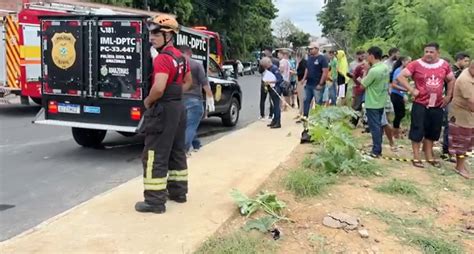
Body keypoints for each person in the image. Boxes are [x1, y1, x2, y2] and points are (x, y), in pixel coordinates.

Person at [136, 14, 192, 214]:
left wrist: (148, 101)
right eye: (150, 33)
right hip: (178, 108)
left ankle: (154, 201)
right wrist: (174, 96)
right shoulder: (181, 58)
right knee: (177, 151)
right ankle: (178, 192)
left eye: (156, 33)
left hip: (163, 110)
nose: (151, 37)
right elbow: (187, 82)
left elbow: (158, 88)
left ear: (169, 35)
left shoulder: (162, 59)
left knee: (154, 154)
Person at [397, 42, 455, 168]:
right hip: (420, 103)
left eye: (431, 52)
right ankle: (416, 156)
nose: (428, 54)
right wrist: (411, 90)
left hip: (438, 104)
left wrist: (449, 95)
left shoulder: (444, 65)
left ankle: (429, 155)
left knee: (433, 130)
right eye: (426, 52)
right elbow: (401, 77)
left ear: (438, 53)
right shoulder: (416, 64)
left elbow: (451, 79)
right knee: (418, 129)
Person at [178, 46, 215, 155]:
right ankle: (183, 151)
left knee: (187, 124)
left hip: (180, 99)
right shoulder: (196, 65)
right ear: (189, 53)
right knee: (190, 125)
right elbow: (204, 82)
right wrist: (210, 97)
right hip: (194, 99)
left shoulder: (176, 64)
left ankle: (196, 144)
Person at [362, 46, 390, 157]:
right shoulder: (385, 67)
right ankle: (378, 146)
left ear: (372, 56)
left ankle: (376, 150)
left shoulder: (373, 71)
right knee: (379, 125)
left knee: (375, 128)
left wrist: (365, 71)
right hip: (381, 100)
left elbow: (364, 84)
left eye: (368, 55)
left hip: (372, 102)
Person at [442, 52, 471, 160]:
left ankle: (454, 151)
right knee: (449, 127)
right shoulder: (452, 71)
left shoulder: (463, 72)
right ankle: (446, 151)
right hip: (451, 101)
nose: (467, 63)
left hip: (460, 104)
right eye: (465, 61)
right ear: (459, 60)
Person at [448, 61, 474, 179]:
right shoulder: (465, 80)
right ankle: (459, 166)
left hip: (470, 116)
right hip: (462, 115)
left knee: (469, 143)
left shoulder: (470, 75)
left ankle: (462, 164)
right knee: (462, 142)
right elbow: (471, 104)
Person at [303, 42, 329, 117]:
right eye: (309, 49)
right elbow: (307, 69)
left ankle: (318, 120)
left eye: (311, 49)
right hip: (309, 84)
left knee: (318, 103)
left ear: (317, 49)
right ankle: (305, 118)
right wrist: (304, 79)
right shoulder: (309, 58)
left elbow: (325, 72)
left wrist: (320, 84)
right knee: (306, 101)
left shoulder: (322, 59)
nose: (310, 50)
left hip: (317, 85)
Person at [390, 56, 411, 138]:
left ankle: (395, 130)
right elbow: (394, 85)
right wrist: (405, 89)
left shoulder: (405, 71)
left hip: (400, 94)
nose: (410, 63)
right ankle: (395, 132)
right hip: (396, 94)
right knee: (399, 114)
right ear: (403, 62)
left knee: (400, 114)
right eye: (408, 62)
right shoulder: (398, 71)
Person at [260, 57, 284, 128]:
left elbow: (279, 79)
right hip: (271, 88)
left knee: (276, 106)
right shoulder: (269, 69)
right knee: (273, 105)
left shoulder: (274, 68)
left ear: (268, 63)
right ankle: (274, 120)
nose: (265, 67)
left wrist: (269, 81)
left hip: (276, 88)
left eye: (265, 65)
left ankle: (278, 122)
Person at [259, 47, 280, 120]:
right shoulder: (276, 60)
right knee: (270, 99)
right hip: (268, 83)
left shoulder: (273, 62)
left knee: (269, 99)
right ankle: (270, 115)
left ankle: (265, 115)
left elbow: (278, 77)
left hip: (268, 83)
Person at [295, 49, 307, 120]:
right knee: (300, 97)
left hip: (302, 81)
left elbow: (305, 71)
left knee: (302, 97)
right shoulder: (300, 62)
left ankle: (302, 113)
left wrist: (303, 79)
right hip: (300, 80)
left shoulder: (303, 62)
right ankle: (300, 112)